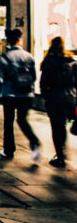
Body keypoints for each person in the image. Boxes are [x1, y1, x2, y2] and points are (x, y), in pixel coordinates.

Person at [0, 28, 41, 162]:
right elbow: (33, 76)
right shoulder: (28, 56)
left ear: (8, 41)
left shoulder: (5, 57)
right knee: (22, 120)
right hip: (26, 94)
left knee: (8, 122)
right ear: (20, 40)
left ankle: (8, 150)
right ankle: (34, 140)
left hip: (9, 94)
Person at [39, 36, 77, 168]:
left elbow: (43, 84)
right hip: (70, 97)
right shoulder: (72, 62)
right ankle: (62, 151)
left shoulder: (48, 63)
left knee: (57, 127)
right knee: (66, 124)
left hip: (55, 97)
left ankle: (60, 156)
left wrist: (45, 97)